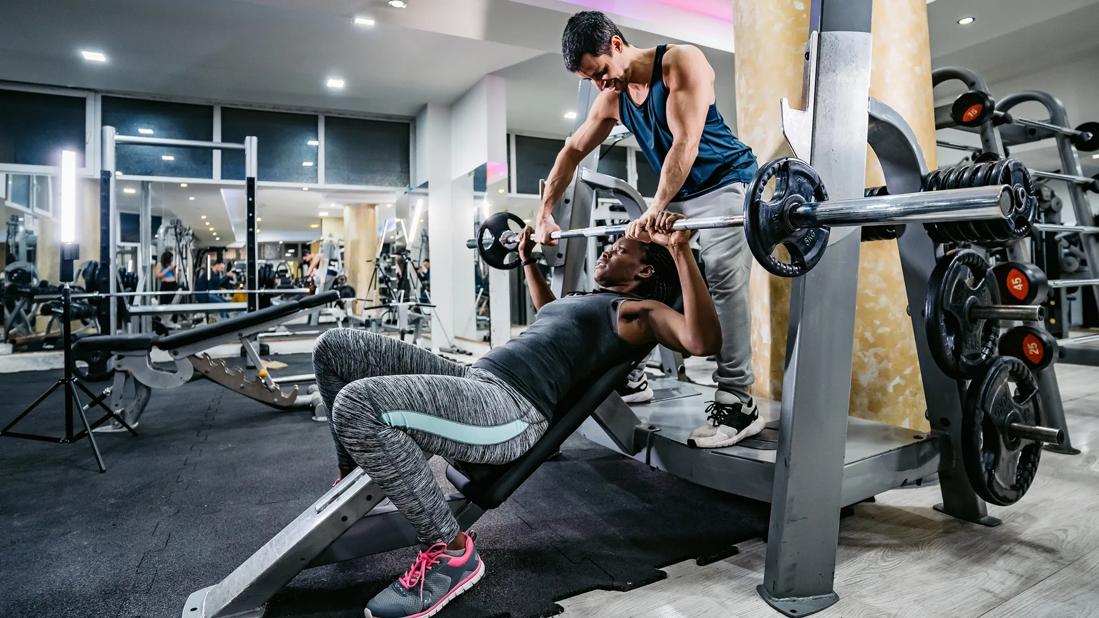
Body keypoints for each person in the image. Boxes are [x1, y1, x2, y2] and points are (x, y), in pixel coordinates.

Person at [313, 213, 719, 618]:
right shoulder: (584, 299)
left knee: (359, 404)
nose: (609, 247)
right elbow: (548, 310)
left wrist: (679, 249)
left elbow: (702, 340)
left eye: (621, 248)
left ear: (645, 269)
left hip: (508, 410)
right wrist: (526, 258)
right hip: (475, 377)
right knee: (335, 348)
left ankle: (452, 555)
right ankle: (354, 477)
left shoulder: (636, 312)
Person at [538, 10, 761, 448]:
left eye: (601, 72)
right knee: (631, 270)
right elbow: (571, 152)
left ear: (617, 45)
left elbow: (686, 143)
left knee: (721, 276)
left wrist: (656, 206)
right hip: (676, 194)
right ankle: (630, 374)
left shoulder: (681, 63)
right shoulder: (614, 98)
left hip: (727, 185)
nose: (601, 85)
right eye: (591, 80)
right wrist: (544, 214)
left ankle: (738, 400)